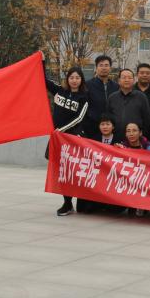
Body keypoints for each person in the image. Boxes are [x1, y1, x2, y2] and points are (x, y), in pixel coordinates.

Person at [47, 66, 89, 216]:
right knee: (62, 172)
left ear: (81, 80)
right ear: (67, 79)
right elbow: (43, 80)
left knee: (72, 171)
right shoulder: (60, 91)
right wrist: (42, 61)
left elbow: (79, 118)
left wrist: (62, 129)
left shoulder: (84, 97)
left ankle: (79, 200)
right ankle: (67, 203)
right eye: (71, 77)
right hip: (57, 138)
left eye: (77, 78)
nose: (74, 80)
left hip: (72, 138)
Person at [107, 69, 150, 144]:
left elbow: (147, 119)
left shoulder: (141, 97)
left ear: (134, 80)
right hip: (116, 138)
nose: (127, 80)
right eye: (124, 77)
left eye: (129, 78)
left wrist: (141, 134)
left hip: (135, 140)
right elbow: (108, 118)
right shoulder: (112, 97)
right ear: (119, 80)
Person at [85, 54, 119, 137]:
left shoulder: (116, 86)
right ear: (96, 68)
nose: (104, 68)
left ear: (110, 68)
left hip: (112, 129)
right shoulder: (87, 85)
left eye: (106, 65)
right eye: (101, 65)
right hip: (92, 128)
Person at [135, 63, 150, 131]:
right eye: (142, 73)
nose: (145, 75)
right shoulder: (131, 90)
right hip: (134, 130)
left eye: (147, 73)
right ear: (137, 74)